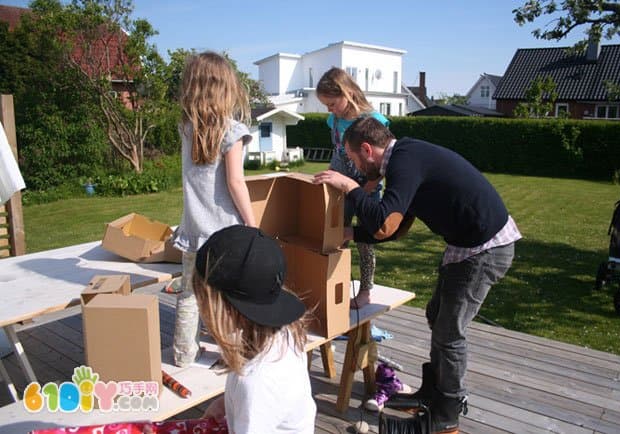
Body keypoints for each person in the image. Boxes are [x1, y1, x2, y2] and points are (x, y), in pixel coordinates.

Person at [313, 117, 521, 434]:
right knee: (436, 314)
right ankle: (432, 393)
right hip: (469, 245)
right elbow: (395, 229)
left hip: (485, 249)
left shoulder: (404, 162)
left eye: (354, 160)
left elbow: (383, 224)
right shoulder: (406, 159)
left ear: (367, 149)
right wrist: (349, 234)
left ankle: (446, 417)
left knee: (450, 332)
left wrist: (352, 189)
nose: (355, 168)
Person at [171, 51, 257, 368]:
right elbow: (236, 183)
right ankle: (230, 353)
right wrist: (252, 225)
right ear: (226, 87)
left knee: (189, 295)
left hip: (193, 230)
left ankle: (182, 355)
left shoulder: (186, 128)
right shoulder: (232, 131)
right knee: (227, 297)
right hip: (225, 233)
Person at [194, 225, 316, 434]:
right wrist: (226, 403)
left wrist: (241, 404)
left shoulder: (256, 383)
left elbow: (258, 397)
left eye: (201, 301)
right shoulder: (283, 333)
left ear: (222, 310)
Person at [316, 67, 390, 309]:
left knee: (365, 240)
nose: (330, 109)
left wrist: (366, 189)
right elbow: (338, 153)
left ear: (347, 93)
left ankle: (366, 290)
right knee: (337, 236)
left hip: (366, 186)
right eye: (326, 106)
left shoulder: (374, 121)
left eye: (332, 103)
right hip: (339, 187)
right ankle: (336, 286)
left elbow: (382, 162)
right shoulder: (333, 120)